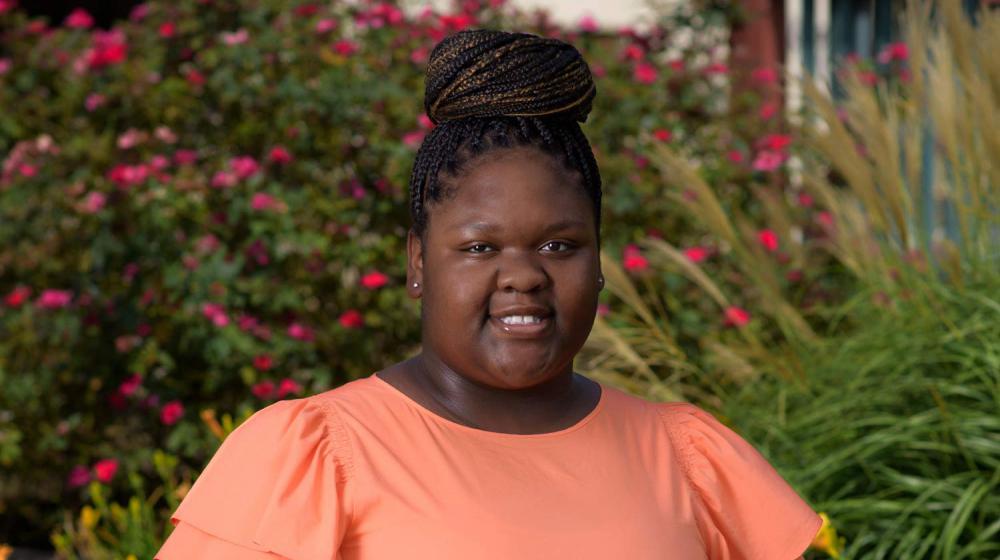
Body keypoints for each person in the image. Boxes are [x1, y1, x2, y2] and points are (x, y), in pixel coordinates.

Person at [156, 29, 822, 559]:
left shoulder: (688, 457)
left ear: (598, 261)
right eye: (480, 248)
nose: (524, 275)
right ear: (418, 262)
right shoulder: (315, 456)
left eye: (560, 245)